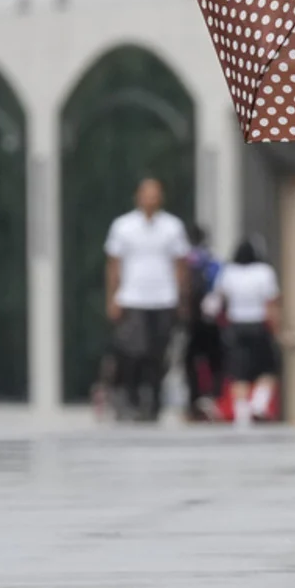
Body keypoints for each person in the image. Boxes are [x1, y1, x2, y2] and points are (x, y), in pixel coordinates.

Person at [101, 178, 190, 421]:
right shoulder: (123, 226)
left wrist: (182, 299)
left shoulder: (173, 227)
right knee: (132, 351)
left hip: (164, 298)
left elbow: (180, 264)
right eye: (146, 194)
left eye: (155, 194)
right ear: (138, 197)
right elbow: (113, 265)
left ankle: (154, 402)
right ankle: (130, 397)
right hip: (132, 298)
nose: (151, 199)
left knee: (158, 353)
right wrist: (113, 298)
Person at [207, 239, 280, 426]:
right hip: (258, 324)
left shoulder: (229, 272)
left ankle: (242, 413)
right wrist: (276, 327)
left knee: (239, 371)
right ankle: (259, 403)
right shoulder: (265, 272)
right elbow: (271, 303)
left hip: (235, 325)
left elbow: (218, 299)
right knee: (267, 368)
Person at [182, 223, 224, 420]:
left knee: (190, 361)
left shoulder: (185, 262)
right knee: (214, 361)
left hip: (190, 319)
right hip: (210, 319)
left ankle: (194, 402)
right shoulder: (213, 261)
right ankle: (214, 398)